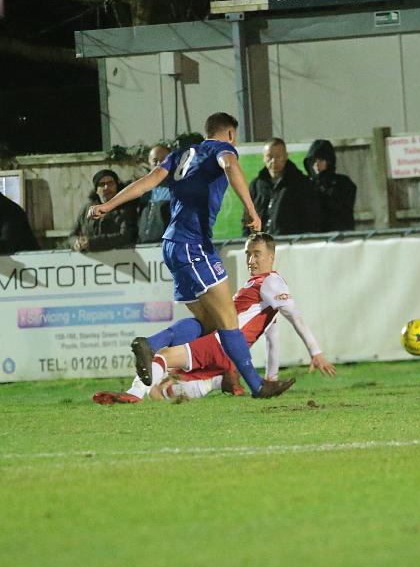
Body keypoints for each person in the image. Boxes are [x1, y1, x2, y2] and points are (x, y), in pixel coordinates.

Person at [86, 111, 294, 398]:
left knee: (210, 324)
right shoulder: (223, 149)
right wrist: (252, 208)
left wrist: (109, 205)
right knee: (229, 320)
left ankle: (153, 343)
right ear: (230, 134)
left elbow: (148, 181)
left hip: (172, 245)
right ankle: (258, 386)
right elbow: (230, 164)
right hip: (193, 244)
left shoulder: (181, 155)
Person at [93, 233, 335, 404]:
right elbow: (272, 333)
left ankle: (136, 393)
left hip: (222, 343)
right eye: (248, 254)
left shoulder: (271, 281)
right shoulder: (257, 287)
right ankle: (208, 383)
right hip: (221, 342)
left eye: (257, 254)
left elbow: (294, 314)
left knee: (163, 358)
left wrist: (315, 352)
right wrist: (272, 378)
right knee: (173, 363)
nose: (251, 260)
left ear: (271, 256)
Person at [250, 137, 322, 235]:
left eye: (278, 156)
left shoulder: (301, 183)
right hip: (260, 245)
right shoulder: (256, 186)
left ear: (286, 156)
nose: (273, 161)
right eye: (269, 156)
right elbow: (248, 218)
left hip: (289, 244)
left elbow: (311, 218)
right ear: (263, 158)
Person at [69, 169, 138, 252]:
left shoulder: (126, 208)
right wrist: (76, 242)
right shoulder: (87, 209)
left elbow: (126, 236)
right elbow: (72, 235)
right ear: (96, 190)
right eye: (102, 184)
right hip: (89, 261)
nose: (106, 187)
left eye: (110, 183)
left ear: (117, 186)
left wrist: (93, 243)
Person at [304, 139, 357, 232]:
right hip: (314, 240)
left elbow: (341, 210)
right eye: (313, 161)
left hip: (339, 238)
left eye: (320, 160)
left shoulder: (343, 183)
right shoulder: (306, 185)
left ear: (329, 161)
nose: (316, 165)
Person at [135, 144, 172, 244]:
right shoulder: (142, 191)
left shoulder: (180, 188)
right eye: (155, 161)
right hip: (144, 248)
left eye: (164, 160)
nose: (159, 164)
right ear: (149, 163)